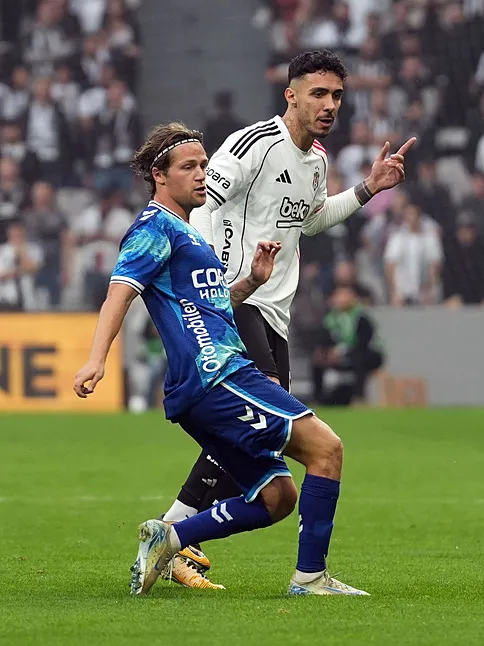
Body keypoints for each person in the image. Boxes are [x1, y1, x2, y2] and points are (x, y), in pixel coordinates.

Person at [73, 122, 369, 596]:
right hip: (219, 377)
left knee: (277, 498)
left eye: (204, 166)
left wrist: (251, 280)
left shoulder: (189, 237)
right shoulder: (155, 228)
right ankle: (311, 578)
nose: (201, 175)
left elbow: (212, 306)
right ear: (159, 175)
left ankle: (169, 537)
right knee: (326, 449)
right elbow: (119, 294)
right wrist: (96, 360)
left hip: (205, 388)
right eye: (189, 167)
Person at [166, 50, 414, 587]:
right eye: (319, 94)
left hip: (274, 316)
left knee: (246, 440)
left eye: (337, 96)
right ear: (291, 95)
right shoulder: (254, 144)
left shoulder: (317, 161)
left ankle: (169, 536)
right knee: (285, 436)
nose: (329, 105)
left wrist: (368, 188)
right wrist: (213, 288)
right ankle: (304, 573)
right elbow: (204, 202)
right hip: (239, 306)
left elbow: (310, 218)